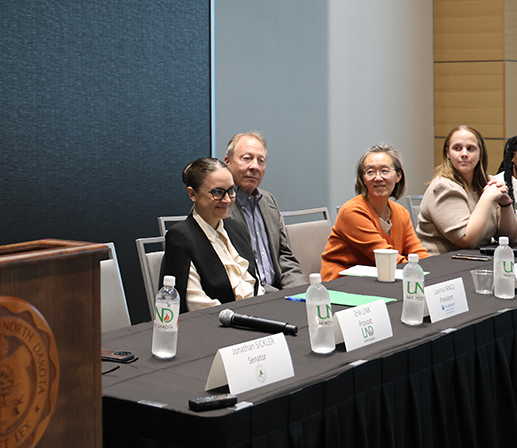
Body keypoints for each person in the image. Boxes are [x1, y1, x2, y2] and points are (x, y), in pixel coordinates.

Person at [159, 158, 263, 313]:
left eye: (231, 190)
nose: (227, 200)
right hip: (215, 326)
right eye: (218, 192)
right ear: (192, 194)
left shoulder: (237, 228)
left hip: (255, 316)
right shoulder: (180, 237)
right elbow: (196, 304)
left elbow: (256, 284)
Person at [320, 144, 428, 281]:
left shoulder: (401, 212)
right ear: (363, 179)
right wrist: (418, 271)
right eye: (370, 172)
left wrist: (432, 270)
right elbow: (386, 259)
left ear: (398, 176)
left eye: (384, 171)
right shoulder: (352, 212)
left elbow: (417, 253)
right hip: (343, 284)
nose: (378, 178)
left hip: (384, 279)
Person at [417, 126, 517, 255]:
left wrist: (505, 204)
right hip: (443, 264)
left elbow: (509, 237)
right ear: (448, 153)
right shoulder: (443, 187)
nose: (464, 154)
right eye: (457, 148)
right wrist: (487, 198)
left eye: (470, 149)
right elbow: (467, 241)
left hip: (479, 258)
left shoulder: (488, 183)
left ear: (480, 153)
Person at [223, 132, 306, 289]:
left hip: (279, 293)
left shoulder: (268, 202)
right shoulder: (218, 205)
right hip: (247, 297)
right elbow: (231, 273)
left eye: (261, 161)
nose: (254, 166)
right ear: (228, 161)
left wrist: (301, 292)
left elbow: (285, 256)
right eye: (246, 158)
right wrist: (279, 298)